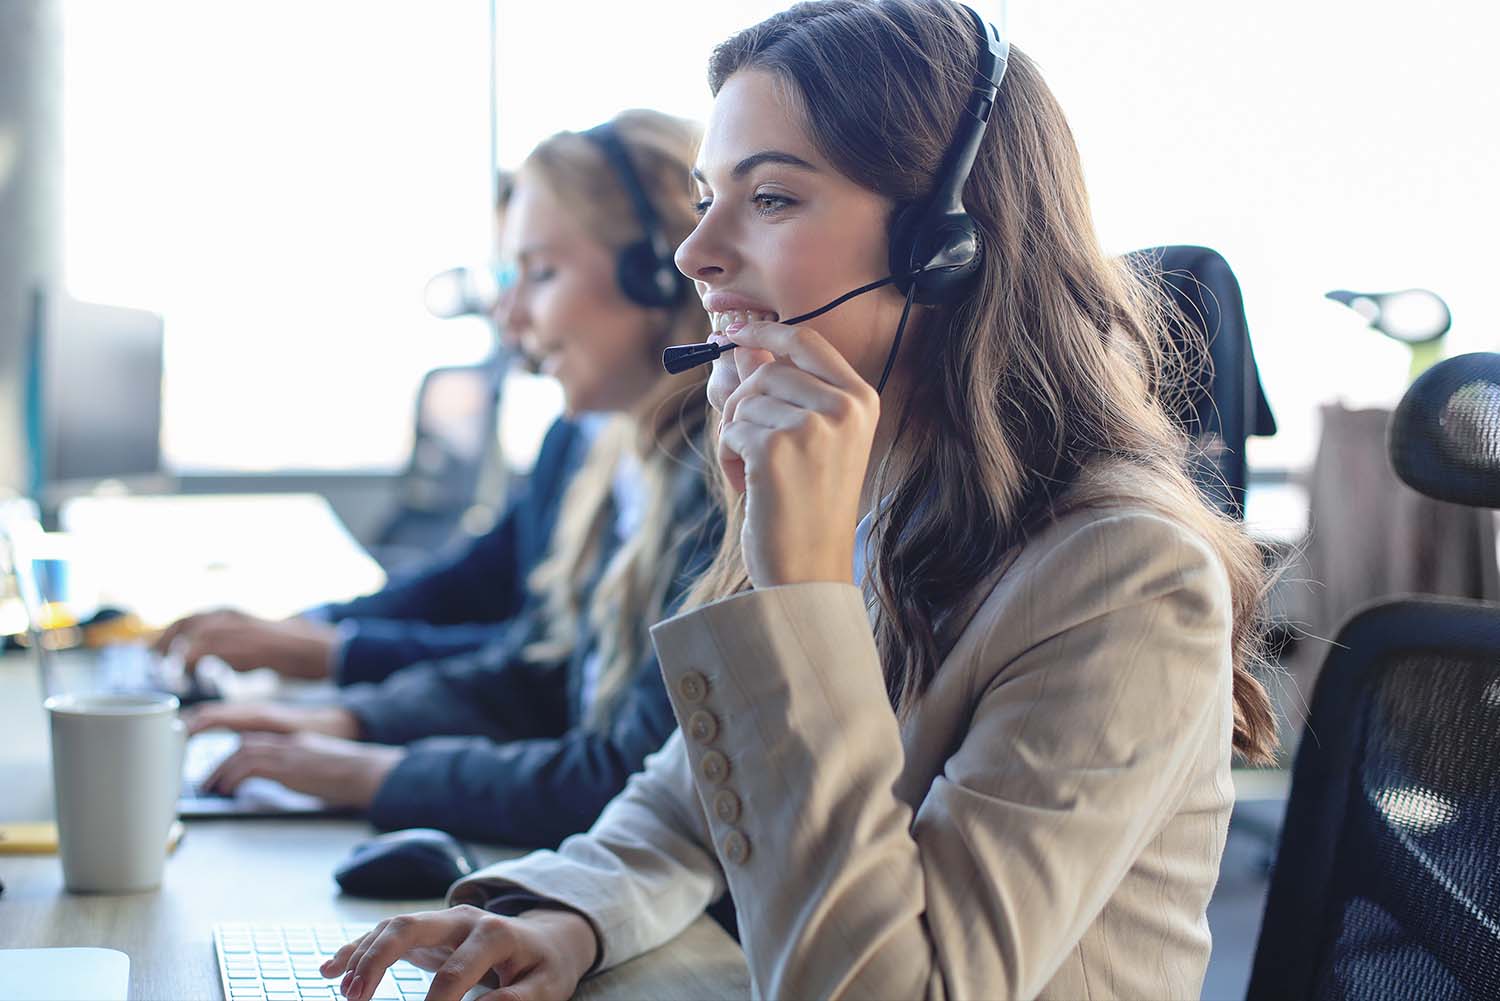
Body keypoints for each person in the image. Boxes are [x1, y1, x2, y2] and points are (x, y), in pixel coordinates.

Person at [319, 3, 1281, 999]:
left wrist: (800, 594)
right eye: (703, 199)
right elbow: (690, 793)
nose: (698, 252)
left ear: (943, 243)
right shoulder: (867, 489)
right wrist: (566, 914)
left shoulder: (1125, 577)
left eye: (770, 197)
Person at [184, 109, 724, 848]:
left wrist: (367, 771)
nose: (508, 317)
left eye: (541, 272)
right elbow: (538, 668)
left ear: (656, 272)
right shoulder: (606, 455)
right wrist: (352, 723)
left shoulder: (724, 483)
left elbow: (622, 776)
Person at [154, 168, 586, 691]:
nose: (505, 310)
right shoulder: (572, 437)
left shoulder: (667, 465)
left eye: (538, 273)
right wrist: (304, 628)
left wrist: (330, 658)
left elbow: (544, 665)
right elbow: (468, 587)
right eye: (504, 276)